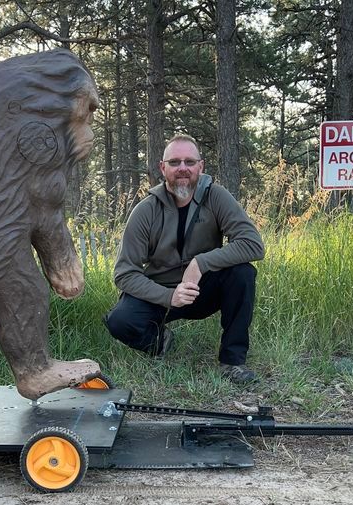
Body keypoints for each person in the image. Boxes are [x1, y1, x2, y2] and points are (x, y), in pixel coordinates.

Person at [104, 134, 264, 384]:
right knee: (119, 321)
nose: (182, 168)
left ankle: (232, 362)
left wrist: (200, 263)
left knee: (242, 273)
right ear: (162, 167)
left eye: (189, 162)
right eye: (175, 162)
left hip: (204, 290)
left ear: (201, 166)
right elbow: (125, 274)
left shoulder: (217, 197)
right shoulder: (146, 210)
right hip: (161, 293)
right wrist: (169, 297)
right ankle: (161, 342)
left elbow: (253, 244)